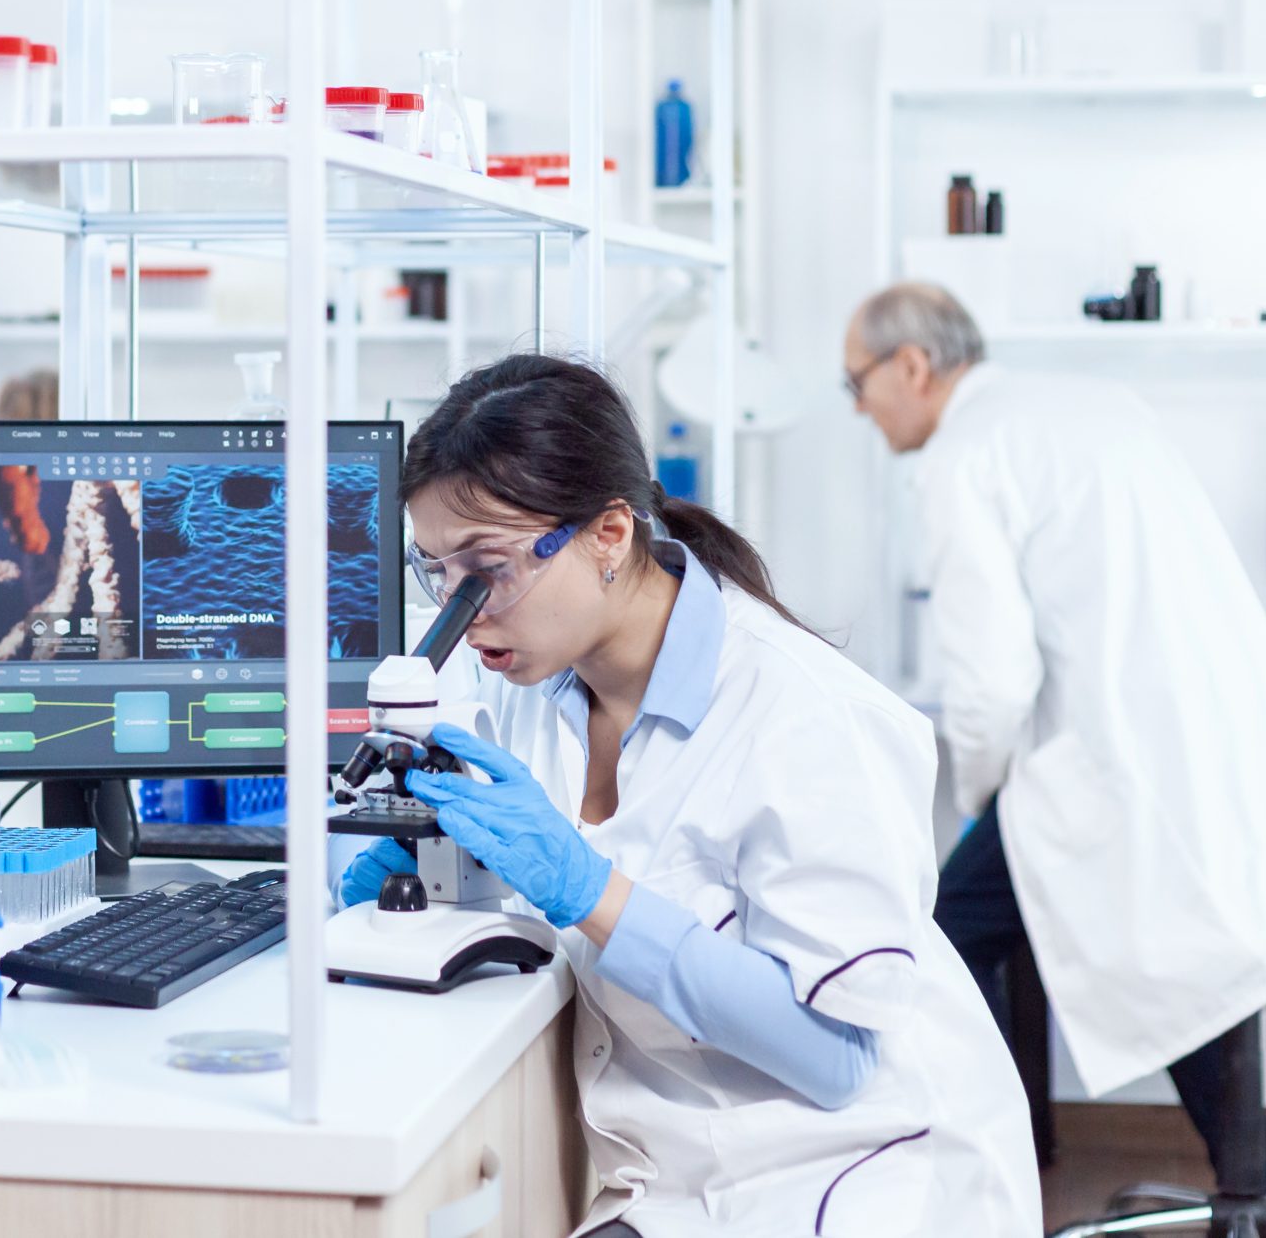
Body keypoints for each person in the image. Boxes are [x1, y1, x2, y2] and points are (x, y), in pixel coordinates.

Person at [343, 353, 1040, 1238]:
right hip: (673, 1174)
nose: (461, 609)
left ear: (608, 533)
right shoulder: (528, 689)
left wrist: (593, 891)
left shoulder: (805, 714)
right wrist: (435, 864)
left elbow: (838, 1057)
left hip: (855, 1174)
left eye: (487, 570)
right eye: (435, 572)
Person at [844, 281, 1266, 1191]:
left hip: (1107, 763)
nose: (859, 405)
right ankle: (1260, 1182)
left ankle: (967, 1171)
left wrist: (984, 795)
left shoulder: (963, 454)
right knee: (1185, 965)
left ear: (912, 365)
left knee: (942, 936)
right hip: (1212, 745)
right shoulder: (1093, 405)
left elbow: (991, 680)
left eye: (856, 381)